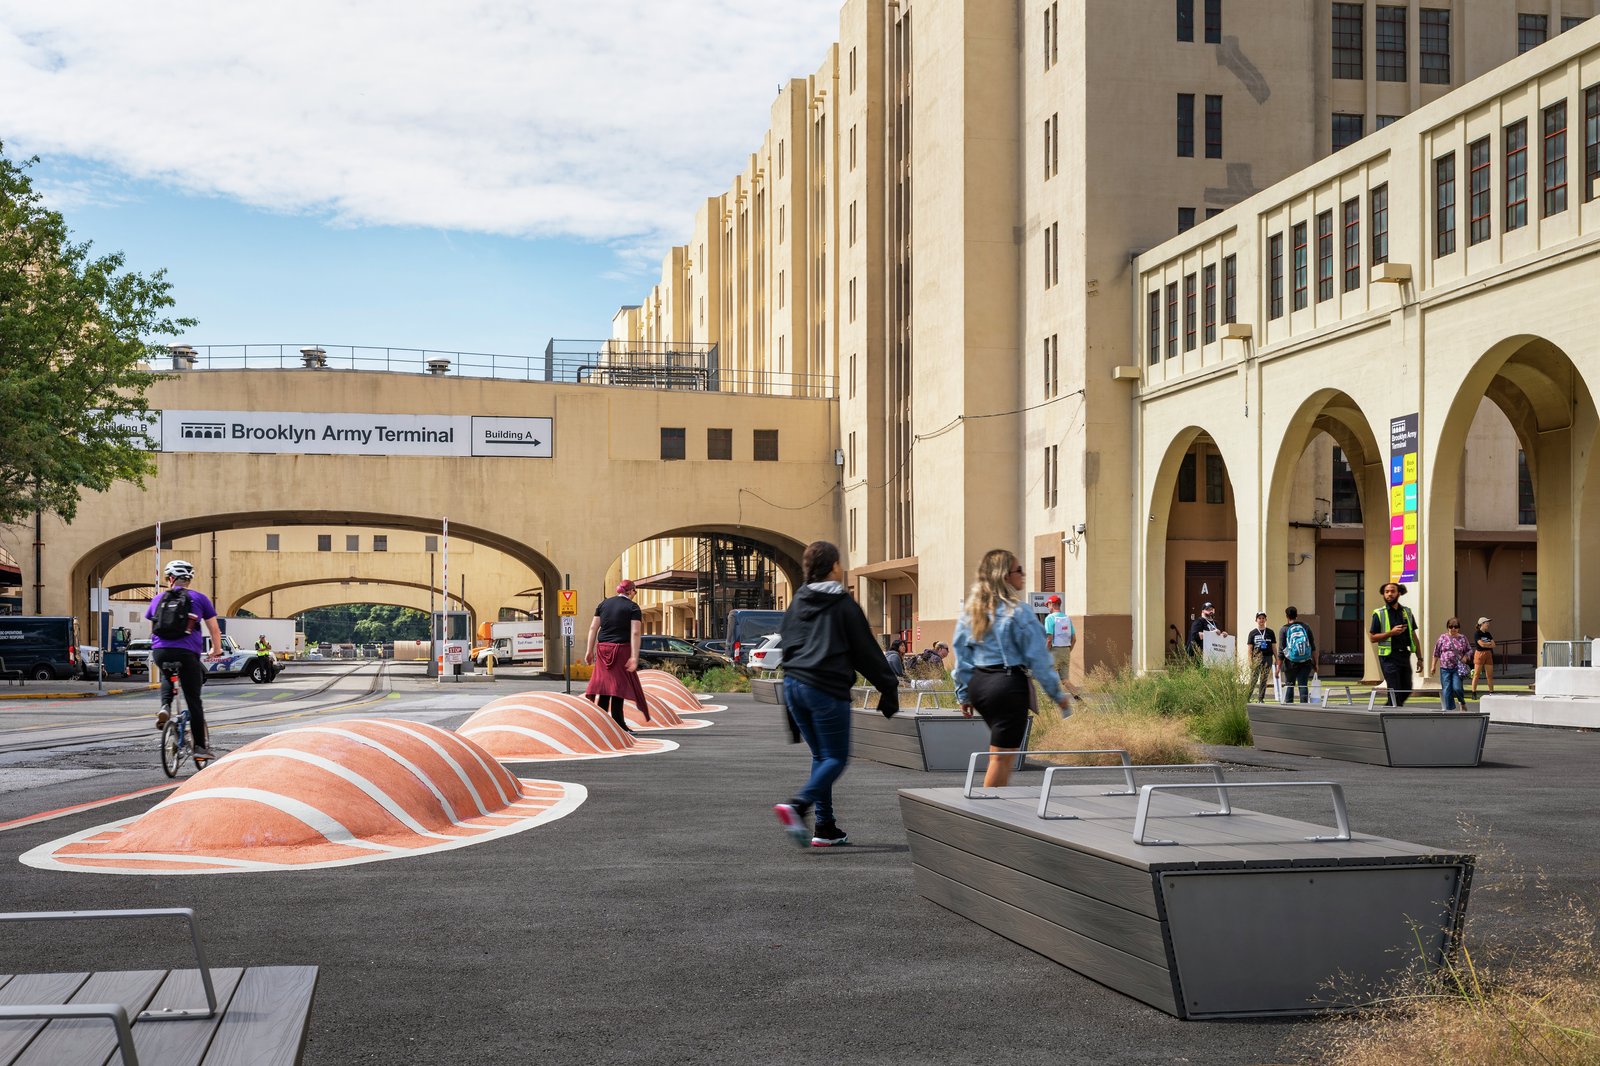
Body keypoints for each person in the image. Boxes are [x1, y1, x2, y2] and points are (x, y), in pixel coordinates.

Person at [773, 541, 899, 849]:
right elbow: (865, 650)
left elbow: (787, 641)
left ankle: (825, 826)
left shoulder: (798, 600)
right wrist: (888, 685)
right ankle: (798, 804)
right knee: (835, 757)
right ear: (833, 567)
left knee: (821, 756)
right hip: (825, 688)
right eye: (839, 563)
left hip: (793, 685)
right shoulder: (843, 603)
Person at [952, 550, 1075, 789]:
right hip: (1006, 685)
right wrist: (1057, 695)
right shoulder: (1019, 611)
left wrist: (964, 693)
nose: (1023, 574)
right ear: (1005, 576)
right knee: (1002, 758)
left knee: (999, 752)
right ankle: (989, 815)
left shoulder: (972, 611)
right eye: (1019, 570)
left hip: (980, 684)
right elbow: (1039, 659)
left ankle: (992, 810)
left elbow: (962, 656)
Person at [147, 560, 225, 758]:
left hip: (161, 651)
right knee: (193, 700)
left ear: (170, 579)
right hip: (187, 653)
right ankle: (200, 747)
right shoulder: (200, 598)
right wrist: (216, 650)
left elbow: (153, 628)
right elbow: (214, 629)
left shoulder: (158, 599)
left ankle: (165, 706)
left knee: (168, 674)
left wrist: (159, 648)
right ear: (188, 579)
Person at [583, 580, 649, 733]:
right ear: (630, 591)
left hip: (602, 649)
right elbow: (635, 632)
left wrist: (589, 651)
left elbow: (593, 628)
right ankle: (618, 723)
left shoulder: (603, 604)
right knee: (618, 686)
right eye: (635, 592)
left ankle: (601, 722)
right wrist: (634, 656)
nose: (635, 595)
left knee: (605, 686)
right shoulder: (633, 607)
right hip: (621, 649)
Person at [1368, 581, 1424, 706]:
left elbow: (1414, 636)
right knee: (1394, 690)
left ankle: (1389, 709)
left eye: (1392, 591)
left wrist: (1420, 658)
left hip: (1404, 655)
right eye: (1386, 592)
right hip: (1388, 657)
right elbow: (1372, 638)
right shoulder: (1379, 613)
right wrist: (1391, 633)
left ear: (1399, 593)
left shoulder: (1407, 612)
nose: (1389, 594)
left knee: (1407, 688)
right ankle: (1392, 714)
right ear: (1383, 595)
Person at [1431, 618, 1474, 711]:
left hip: (1457, 668)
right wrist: (1433, 666)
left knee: (1457, 688)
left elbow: (1469, 650)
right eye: (1451, 627)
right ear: (1447, 627)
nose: (1453, 629)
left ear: (1458, 628)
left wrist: (1466, 657)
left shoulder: (1462, 638)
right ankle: (1449, 710)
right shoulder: (1442, 638)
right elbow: (1436, 652)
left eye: (1456, 627)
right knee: (1446, 690)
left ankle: (1462, 702)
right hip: (1444, 668)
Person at [1278, 606, 1317, 704]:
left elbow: (1281, 650)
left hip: (1290, 662)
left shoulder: (1284, 629)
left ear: (1287, 616)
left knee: (1289, 685)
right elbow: (1313, 647)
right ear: (1296, 615)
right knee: (1303, 684)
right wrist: (1316, 664)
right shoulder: (1305, 626)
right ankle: (1303, 707)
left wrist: (1278, 667)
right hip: (1305, 661)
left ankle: (1289, 707)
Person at [1043, 595, 1076, 684]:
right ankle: (1077, 696)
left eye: (1048, 605)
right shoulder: (1067, 618)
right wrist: (1069, 650)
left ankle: (1048, 697)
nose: (1048, 608)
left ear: (1052, 604)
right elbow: (1074, 639)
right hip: (1066, 650)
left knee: (1048, 677)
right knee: (1065, 679)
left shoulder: (1049, 618)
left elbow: (1049, 639)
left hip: (1054, 651)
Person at [1244, 612, 1276, 701]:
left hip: (1268, 657)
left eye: (1263, 618)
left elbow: (1274, 646)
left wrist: (1277, 658)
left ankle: (1261, 698)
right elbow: (1250, 649)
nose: (1261, 620)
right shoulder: (1252, 633)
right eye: (1259, 618)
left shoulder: (1270, 632)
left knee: (1264, 678)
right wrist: (1250, 661)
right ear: (1256, 620)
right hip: (1256, 658)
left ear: (1266, 619)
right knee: (1253, 679)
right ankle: (1247, 698)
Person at [1471, 616, 1496, 697]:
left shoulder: (1488, 634)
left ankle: (1491, 692)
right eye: (1486, 622)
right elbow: (1480, 644)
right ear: (1481, 624)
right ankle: (1473, 692)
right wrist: (1488, 644)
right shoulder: (1477, 633)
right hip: (1479, 654)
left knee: (1489, 675)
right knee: (1477, 674)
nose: (1488, 624)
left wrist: (1487, 645)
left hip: (1488, 654)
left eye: (1488, 622)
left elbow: (1493, 644)